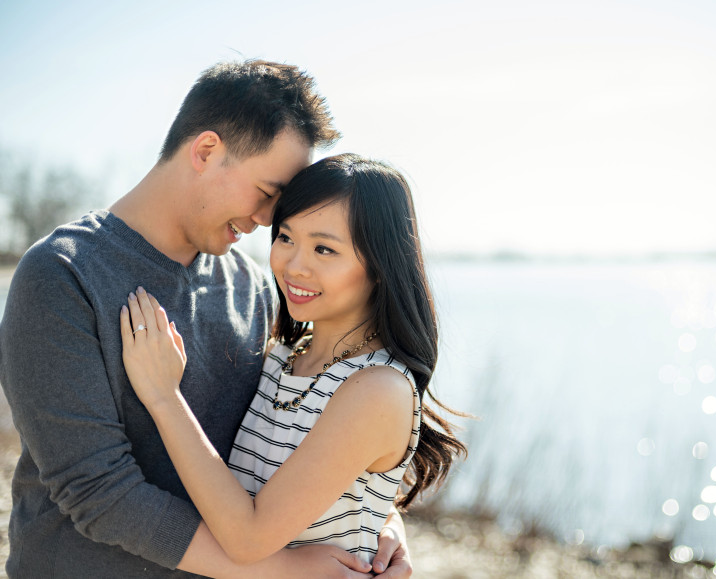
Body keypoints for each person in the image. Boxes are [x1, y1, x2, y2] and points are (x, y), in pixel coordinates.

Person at [0, 61, 412, 577]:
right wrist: (280, 569)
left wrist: (377, 523)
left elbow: (291, 443)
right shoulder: (62, 275)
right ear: (206, 151)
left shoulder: (256, 288)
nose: (268, 221)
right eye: (266, 193)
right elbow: (98, 492)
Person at [120, 154, 467, 567]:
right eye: (285, 238)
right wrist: (385, 521)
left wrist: (163, 397)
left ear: (379, 265)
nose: (293, 266)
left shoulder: (377, 388)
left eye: (324, 248)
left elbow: (248, 538)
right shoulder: (283, 354)